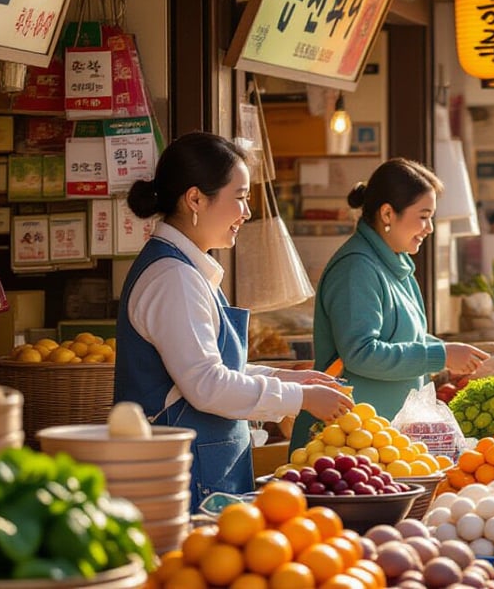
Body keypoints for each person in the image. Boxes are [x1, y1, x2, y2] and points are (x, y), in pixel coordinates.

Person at [115, 132, 354, 508]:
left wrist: (285, 378)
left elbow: (211, 371)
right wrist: (301, 396)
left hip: (205, 470)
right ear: (195, 199)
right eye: (240, 197)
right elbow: (207, 385)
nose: (247, 212)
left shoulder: (186, 270)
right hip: (186, 478)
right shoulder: (173, 278)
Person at [295, 158, 488, 443]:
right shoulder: (356, 268)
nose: (430, 228)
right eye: (423, 216)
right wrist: (442, 355)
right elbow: (361, 353)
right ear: (387, 214)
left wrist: (451, 355)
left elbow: (406, 339)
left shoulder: (395, 266)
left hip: (380, 441)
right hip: (342, 442)